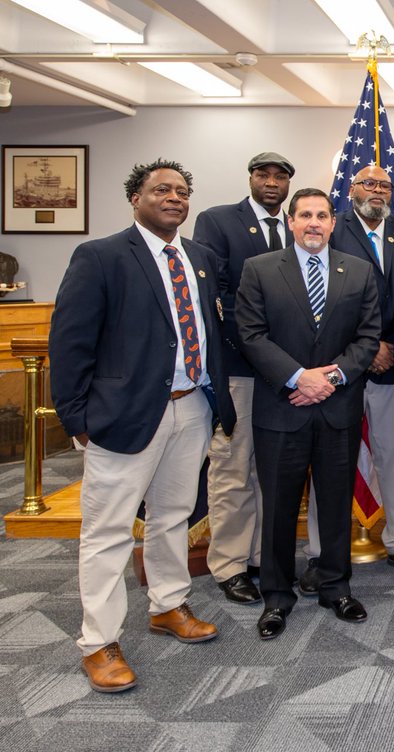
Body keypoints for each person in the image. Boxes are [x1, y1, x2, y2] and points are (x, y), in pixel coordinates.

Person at [50, 159, 236, 693]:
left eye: (181, 191)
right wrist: (77, 418)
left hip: (191, 407)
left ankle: (168, 604)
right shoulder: (101, 256)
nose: (174, 198)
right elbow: (70, 342)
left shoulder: (199, 257)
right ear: (136, 197)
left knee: (173, 515)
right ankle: (99, 641)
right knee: (107, 531)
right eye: (161, 189)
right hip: (125, 414)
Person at [236, 188, 381, 640]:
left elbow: (368, 336)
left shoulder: (358, 271)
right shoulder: (259, 269)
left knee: (336, 504)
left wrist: (330, 378)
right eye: (305, 215)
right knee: (278, 506)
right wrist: (300, 378)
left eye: (322, 215)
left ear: (333, 223)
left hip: (337, 408)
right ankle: (277, 597)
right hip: (282, 408)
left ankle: (336, 587)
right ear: (292, 222)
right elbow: (251, 335)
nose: (314, 222)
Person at [193, 151, 295, 606]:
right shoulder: (219, 221)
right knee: (233, 467)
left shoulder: (299, 226)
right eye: (263, 174)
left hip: (290, 375)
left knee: (269, 470)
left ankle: (260, 555)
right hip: (240, 367)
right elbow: (215, 297)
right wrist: (263, 345)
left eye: (280, 176)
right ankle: (231, 563)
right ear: (251, 178)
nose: (271, 182)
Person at [322, 164, 394, 586]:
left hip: (393, 368)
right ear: (352, 189)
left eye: (384, 185)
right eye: (369, 183)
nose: (378, 191)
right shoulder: (331, 229)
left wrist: (391, 349)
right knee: (330, 463)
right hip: (340, 367)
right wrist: (367, 350)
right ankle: (321, 552)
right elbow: (324, 301)